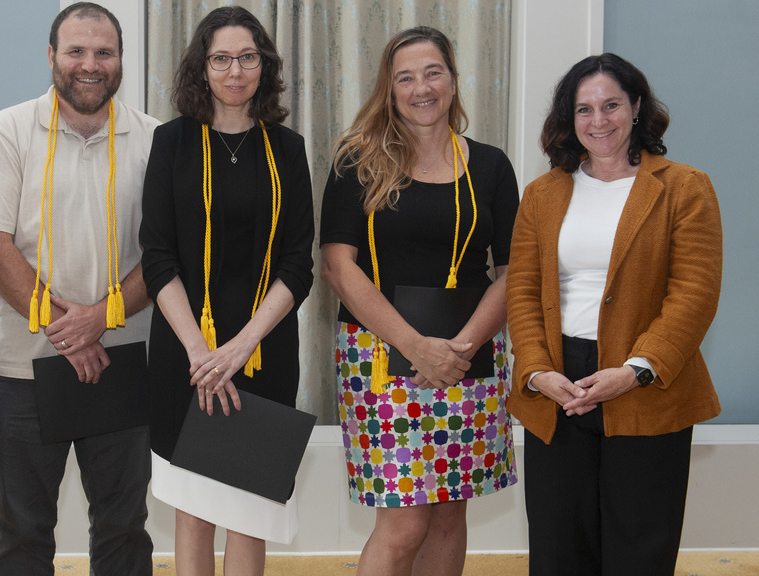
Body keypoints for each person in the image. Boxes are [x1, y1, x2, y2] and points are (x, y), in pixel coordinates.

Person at [0, 3, 159, 575]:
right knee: (22, 531)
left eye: (104, 52)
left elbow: (165, 254)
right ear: (51, 56)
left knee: (124, 528)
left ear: (120, 59)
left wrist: (101, 318)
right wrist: (69, 330)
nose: (90, 64)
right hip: (23, 367)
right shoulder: (8, 129)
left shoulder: (155, 138)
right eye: (76, 51)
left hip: (123, 359)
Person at [506, 53, 722, 576]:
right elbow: (523, 291)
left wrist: (635, 370)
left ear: (637, 107)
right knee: (559, 550)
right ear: (569, 117)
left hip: (645, 383)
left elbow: (694, 293)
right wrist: (536, 370)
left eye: (611, 105)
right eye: (584, 109)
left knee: (640, 549)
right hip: (559, 386)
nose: (598, 120)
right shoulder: (541, 194)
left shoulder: (685, 187)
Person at [319, 27, 519, 576]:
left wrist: (460, 348)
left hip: (467, 358)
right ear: (389, 89)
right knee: (404, 524)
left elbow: (513, 272)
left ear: (453, 80)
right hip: (380, 357)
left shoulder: (492, 166)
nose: (421, 88)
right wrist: (416, 347)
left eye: (433, 73)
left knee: (449, 515)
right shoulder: (357, 161)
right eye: (405, 78)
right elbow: (337, 266)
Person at [139, 6, 314, 575]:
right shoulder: (171, 142)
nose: (235, 71)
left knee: (249, 510)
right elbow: (157, 256)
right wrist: (201, 354)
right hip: (186, 356)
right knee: (194, 509)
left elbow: (299, 264)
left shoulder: (287, 148)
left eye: (247, 57)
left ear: (264, 65)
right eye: (221, 59)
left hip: (263, 349)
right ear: (202, 66)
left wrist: (241, 346)